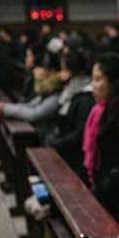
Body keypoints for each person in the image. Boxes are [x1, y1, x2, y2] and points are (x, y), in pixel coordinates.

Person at [88, 54, 119, 220]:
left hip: (118, 195)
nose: (92, 85)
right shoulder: (104, 109)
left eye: (97, 79)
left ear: (113, 81)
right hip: (107, 187)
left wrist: (101, 187)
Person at [43, 49, 94, 181]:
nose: (61, 73)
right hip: (65, 146)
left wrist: (56, 143)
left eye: (64, 69)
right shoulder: (70, 89)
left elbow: (79, 134)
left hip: (75, 157)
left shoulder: (85, 97)